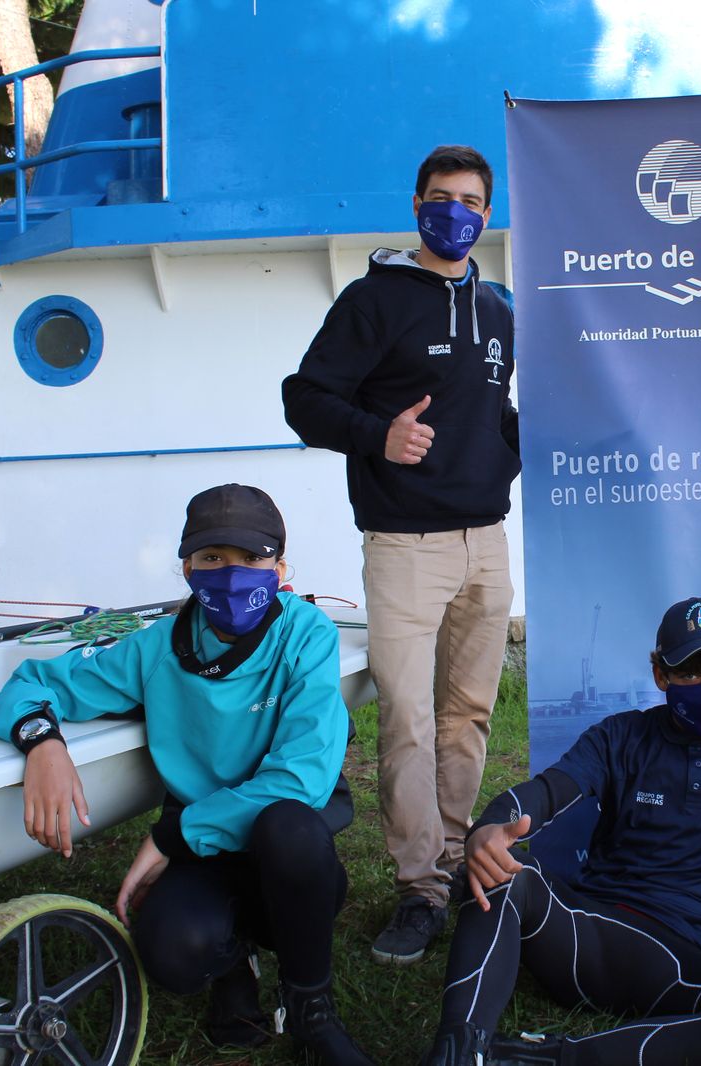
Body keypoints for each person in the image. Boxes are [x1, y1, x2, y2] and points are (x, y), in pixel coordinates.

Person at [0, 484, 374, 1065]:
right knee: (172, 953)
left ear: (282, 567)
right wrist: (43, 744)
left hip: (279, 834)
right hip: (204, 844)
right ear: (186, 567)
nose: (233, 574)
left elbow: (302, 778)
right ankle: (233, 961)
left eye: (252, 558)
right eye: (213, 558)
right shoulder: (155, 649)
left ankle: (311, 1010)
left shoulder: (307, 634)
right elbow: (32, 683)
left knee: (288, 829)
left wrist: (173, 835)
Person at [283, 143, 520, 964]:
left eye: (471, 201)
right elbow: (304, 398)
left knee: (468, 720)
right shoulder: (373, 301)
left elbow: (492, 415)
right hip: (404, 547)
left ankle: (456, 865)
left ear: (488, 215)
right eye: (440, 197)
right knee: (411, 723)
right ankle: (417, 888)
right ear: (418, 203)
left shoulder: (499, 309)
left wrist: (511, 454)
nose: (455, 212)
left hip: (487, 544)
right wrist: (377, 436)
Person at [417, 596, 701, 1066]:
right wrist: (487, 829)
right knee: (504, 871)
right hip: (587, 934)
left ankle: (528, 1059)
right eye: (688, 673)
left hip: (688, 961)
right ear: (660, 674)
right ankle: (457, 1051)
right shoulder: (619, 735)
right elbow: (547, 791)